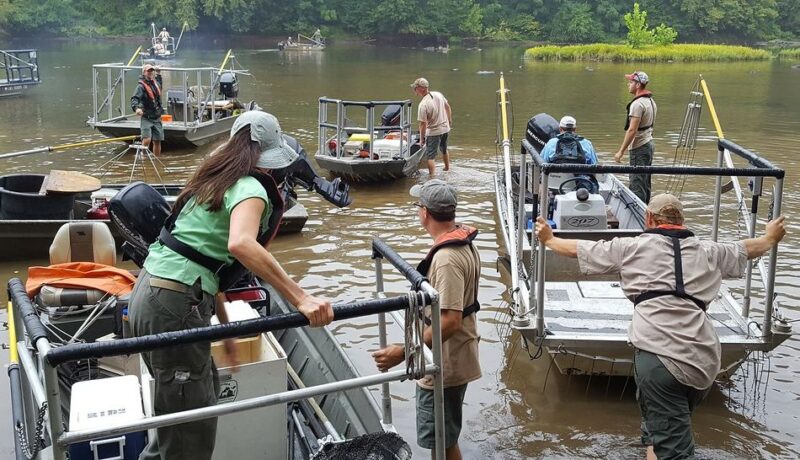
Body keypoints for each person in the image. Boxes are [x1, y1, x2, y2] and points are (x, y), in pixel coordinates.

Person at [129, 111, 334, 460]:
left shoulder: (213, 181)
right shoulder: (253, 187)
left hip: (150, 294)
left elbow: (204, 260)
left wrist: (225, 331)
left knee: (183, 409)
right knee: (188, 436)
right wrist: (301, 297)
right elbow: (241, 244)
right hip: (174, 303)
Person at [534, 193, 786, 460]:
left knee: (673, 450)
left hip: (660, 358)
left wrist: (549, 238)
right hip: (704, 359)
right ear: (682, 221)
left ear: (650, 219)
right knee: (662, 433)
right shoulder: (709, 250)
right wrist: (771, 236)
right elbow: (750, 247)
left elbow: (579, 249)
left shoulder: (631, 247)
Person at [372, 179, 481, 460]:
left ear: (425, 213)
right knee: (444, 438)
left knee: (442, 442)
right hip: (454, 354)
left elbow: (450, 321)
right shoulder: (463, 242)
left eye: (418, 206)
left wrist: (404, 351)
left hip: (445, 361)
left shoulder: (446, 258)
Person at [614, 70, 657, 203]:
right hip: (649, 143)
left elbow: (632, 130)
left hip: (640, 145)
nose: (628, 84)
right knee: (645, 181)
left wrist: (621, 151)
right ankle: (646, 210)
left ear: (638, 85)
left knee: (637, 183)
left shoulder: (637, 104)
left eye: (631, 82)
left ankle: (638, 216)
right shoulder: (650, 101)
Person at [411, 77, 453, 176]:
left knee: (431, 156)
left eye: (415, 88)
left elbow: (423, 124)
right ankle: (447, 169)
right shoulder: (438, 94)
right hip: (445, 128)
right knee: (444, 149)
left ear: (421, 88)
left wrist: (422, 139)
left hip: (433, 132)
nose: (414, 90)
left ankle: (432, 177)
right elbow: (447, 107)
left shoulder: (423, 105)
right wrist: (449, 120)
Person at [131, 63, 164, 156]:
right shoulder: (140, 86)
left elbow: (160, 85)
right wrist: (136, 108)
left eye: (151, 71)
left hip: (156, 116)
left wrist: (159, 73)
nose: (150, 72)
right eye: (148, 71)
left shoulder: (155, 83)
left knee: (157, 141)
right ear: (144, 72)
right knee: (147, 139)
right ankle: (144, 155)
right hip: (146, 116)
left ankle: (157, 160)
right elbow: (134, 99)